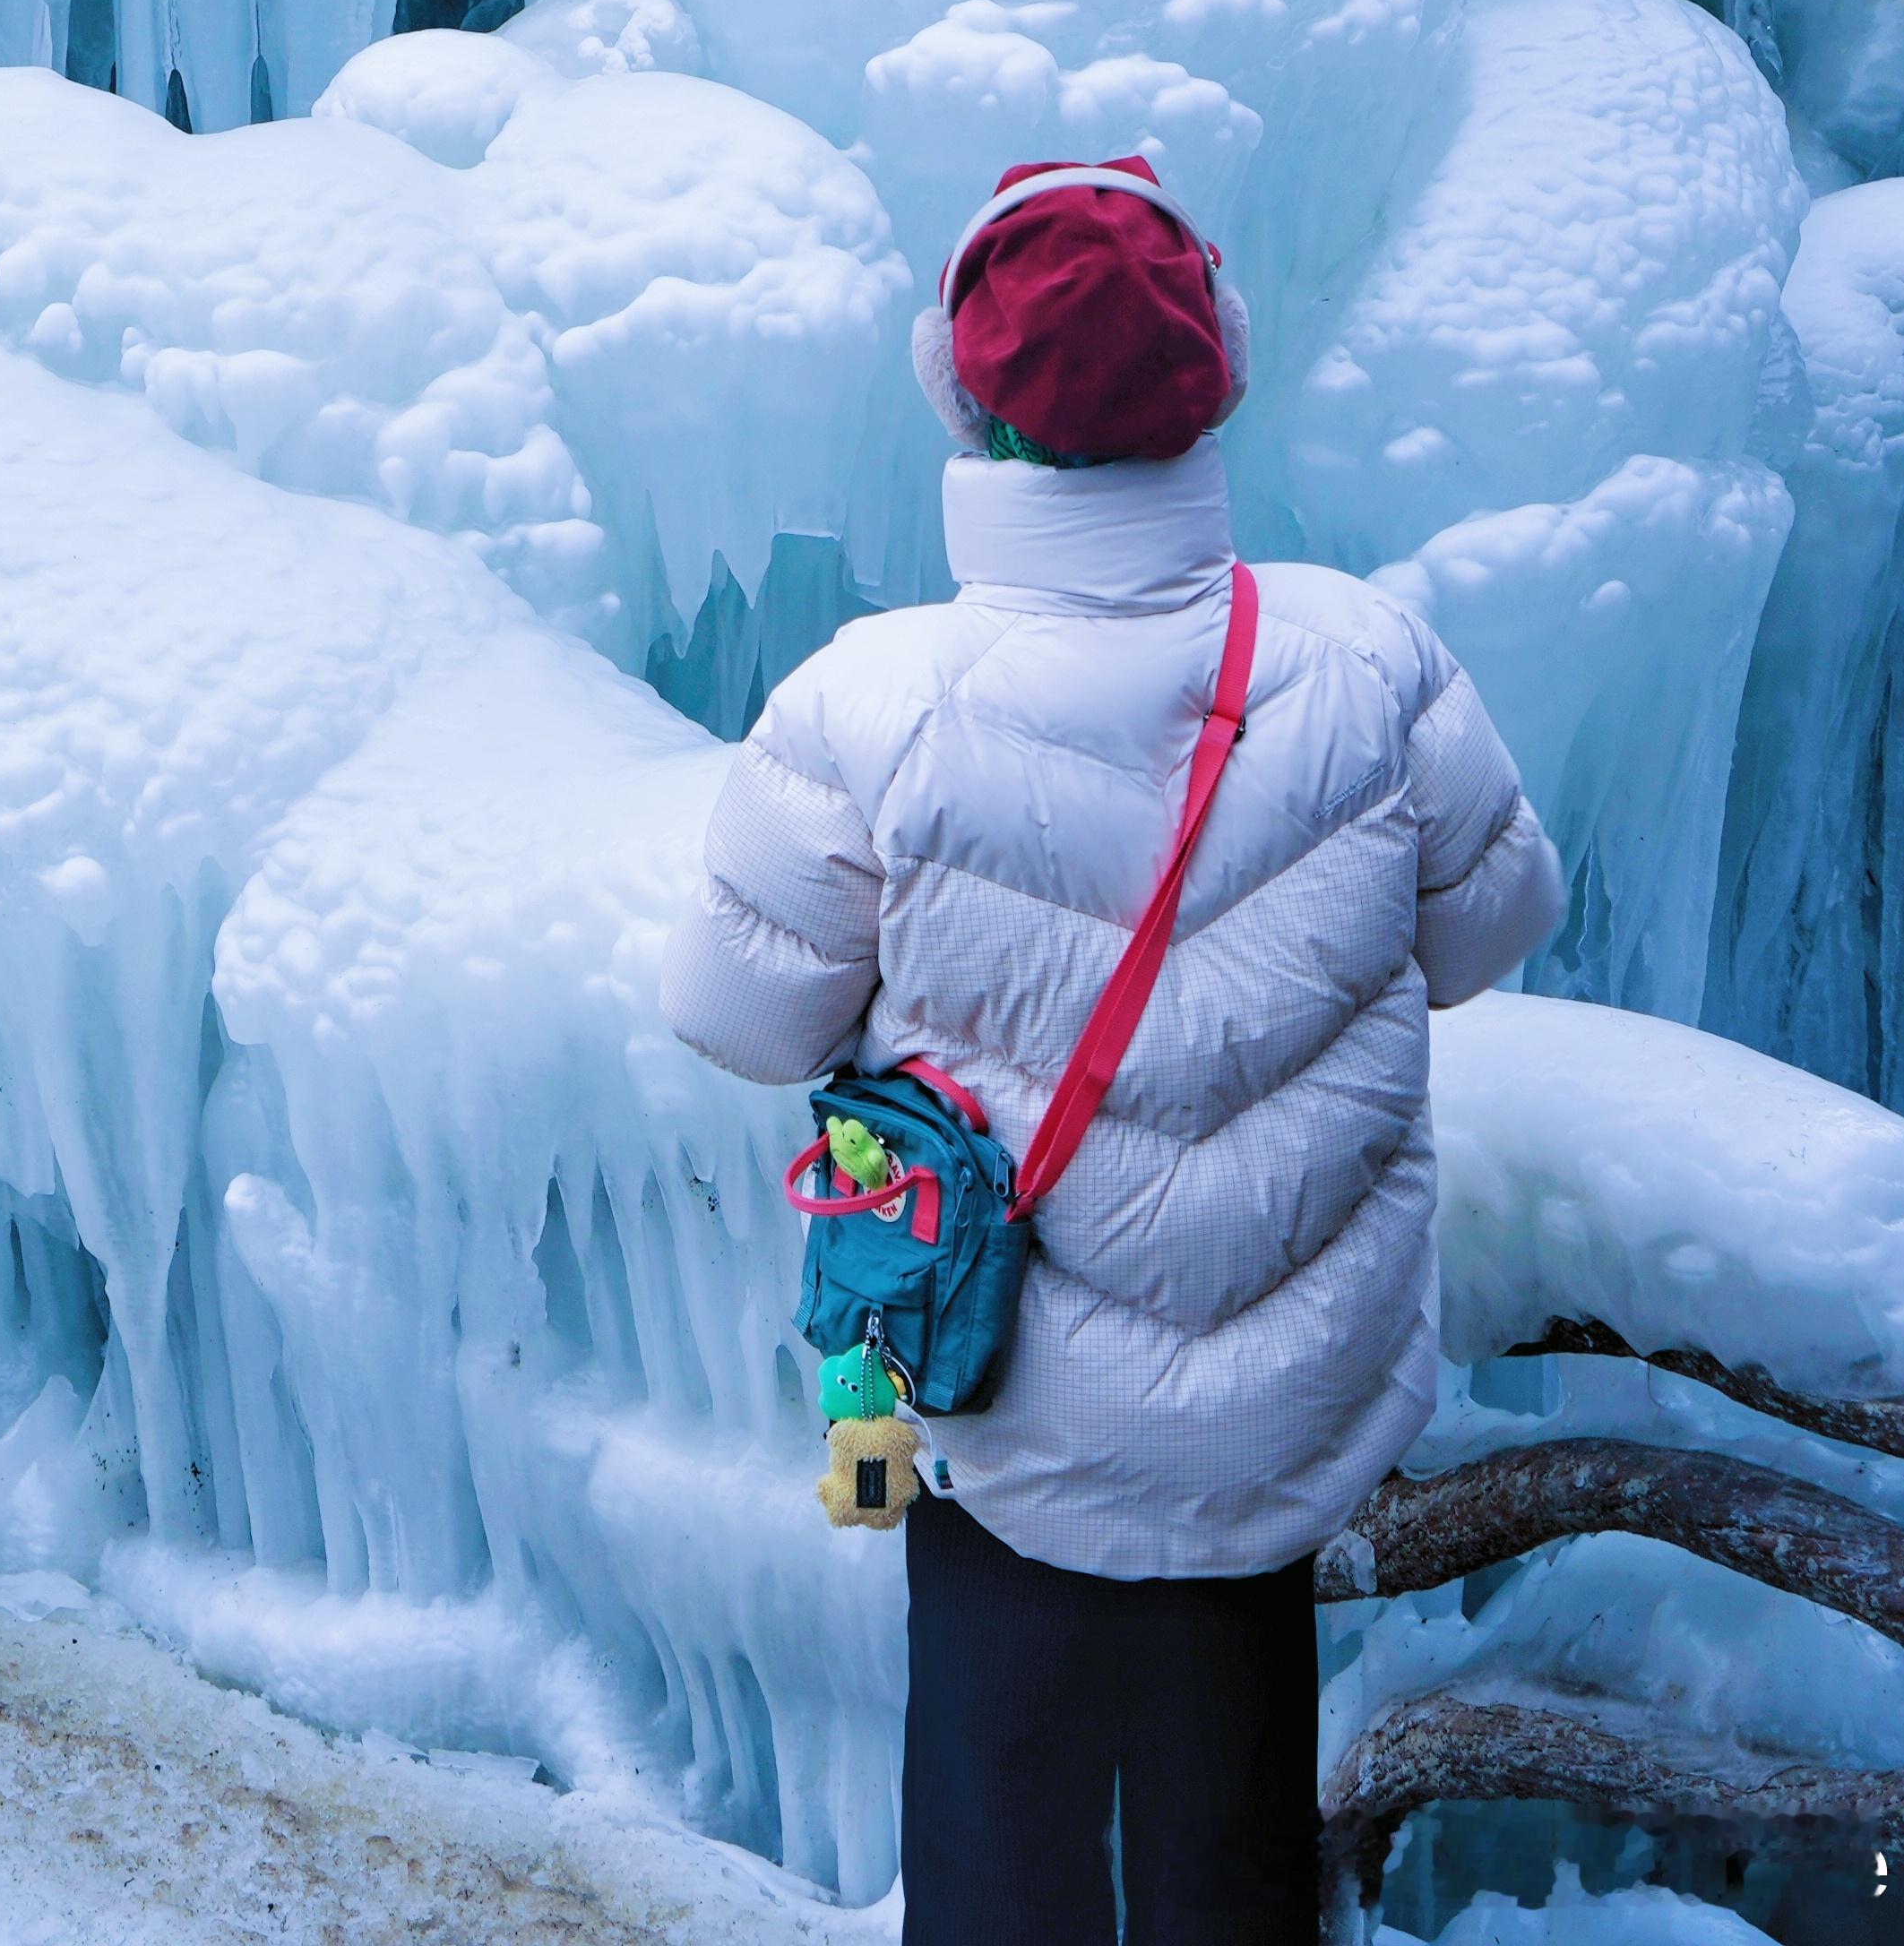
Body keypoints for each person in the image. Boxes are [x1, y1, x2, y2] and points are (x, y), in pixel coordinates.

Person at [661, 144, 1564, 1946]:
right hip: (1286, 1424)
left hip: (1007, 1414)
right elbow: (1487, 932)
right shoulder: (1365, 658)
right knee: (1227, 1839)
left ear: (959, 398)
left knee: (1000, 1839)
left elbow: (737, 1016)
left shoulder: (867, 701)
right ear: (1214, 374)